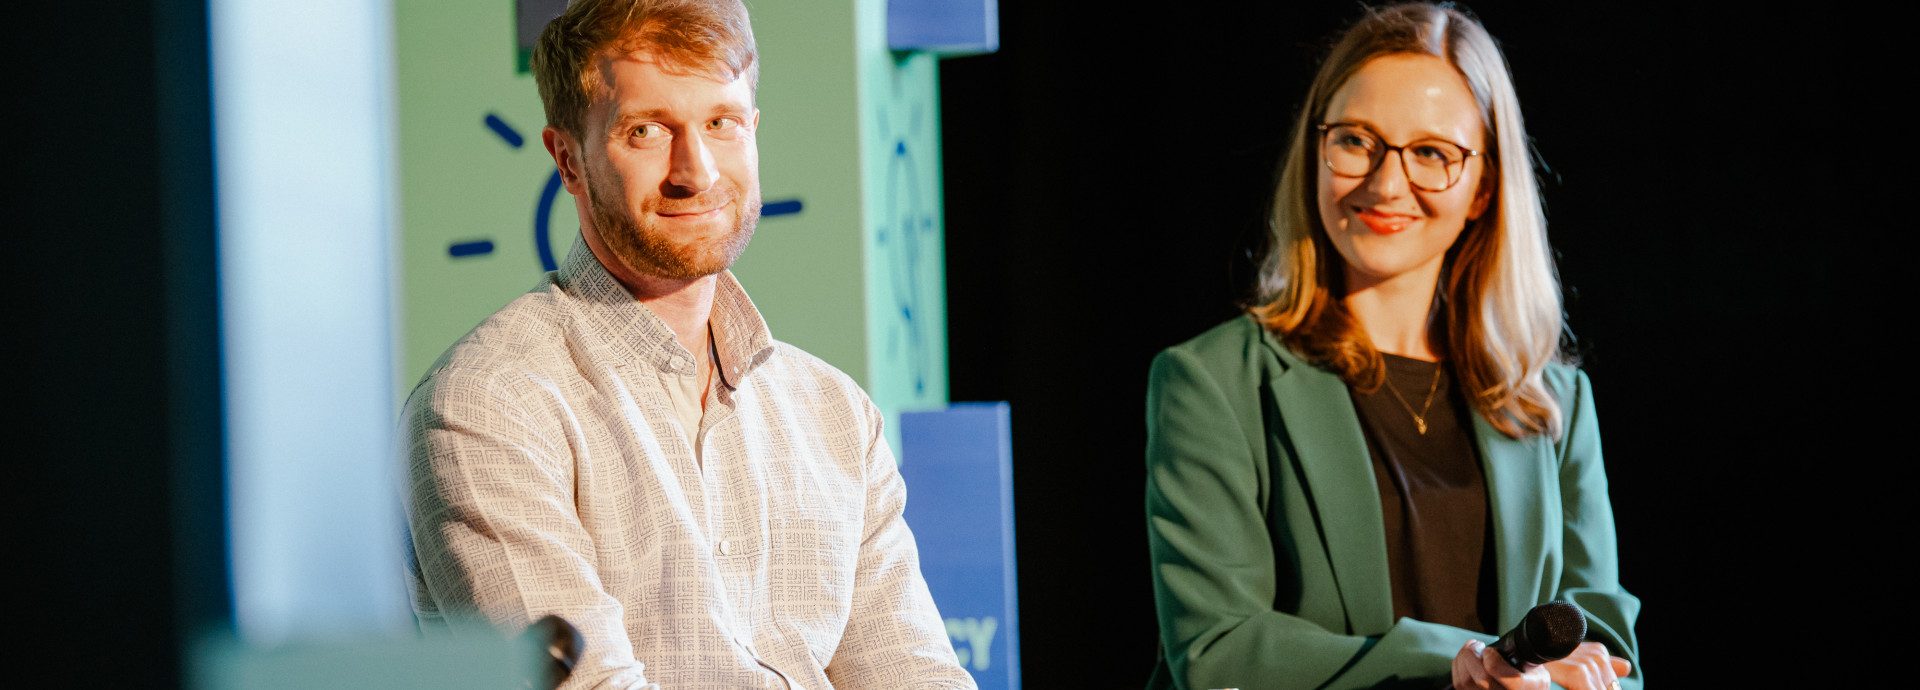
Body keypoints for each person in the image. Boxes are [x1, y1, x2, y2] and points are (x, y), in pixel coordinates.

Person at [399, 1, 975, 687]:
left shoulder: (836, 416)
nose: (694, 171)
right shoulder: (488, 403)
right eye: (647, 131)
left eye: (721, 124)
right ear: (567, 159)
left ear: (753, 131)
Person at [1143, 4, 1640, 690]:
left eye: (1432, 153)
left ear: (1483, 188)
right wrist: (1474, 661)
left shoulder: (1555, 401)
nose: (1385, 183)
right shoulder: (1211, 381)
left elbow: (1609, 652)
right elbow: (1220, 649)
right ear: (1314, 148)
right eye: (1356, 141)